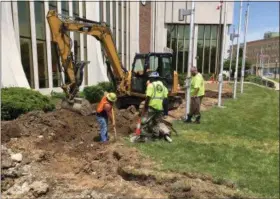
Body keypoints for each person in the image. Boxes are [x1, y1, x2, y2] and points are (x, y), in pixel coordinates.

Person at [141, 72, 171, 141]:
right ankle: (156, 137)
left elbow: (148, 98)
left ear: (152, 78)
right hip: (160, 108)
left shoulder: (151, 85)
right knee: (156, 123)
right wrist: (166, 112)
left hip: (152, 106)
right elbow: (166, 100)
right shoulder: (163, 87)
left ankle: (142, 136)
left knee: (145, 121)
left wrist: (145, 108)